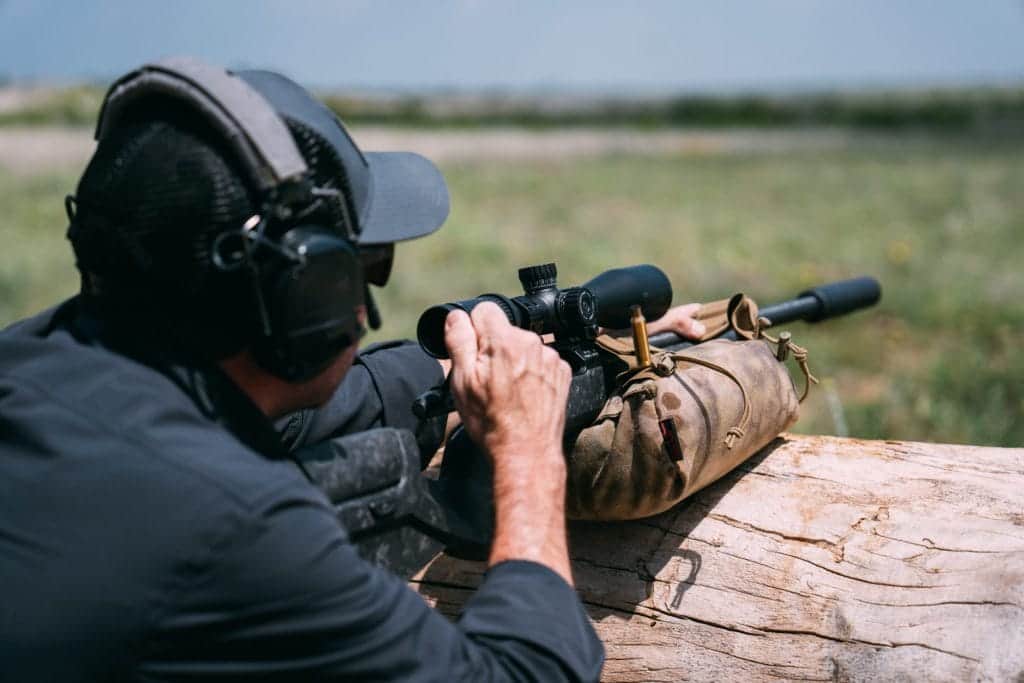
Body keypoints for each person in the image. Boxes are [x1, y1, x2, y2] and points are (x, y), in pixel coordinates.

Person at [0, 58, 705, 681]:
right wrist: (526, 453)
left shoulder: (34, 363)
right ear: (297, 295)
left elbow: (327, 404)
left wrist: (468, 356)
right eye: (361, 269)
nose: (366, 311)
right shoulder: (243, 531)